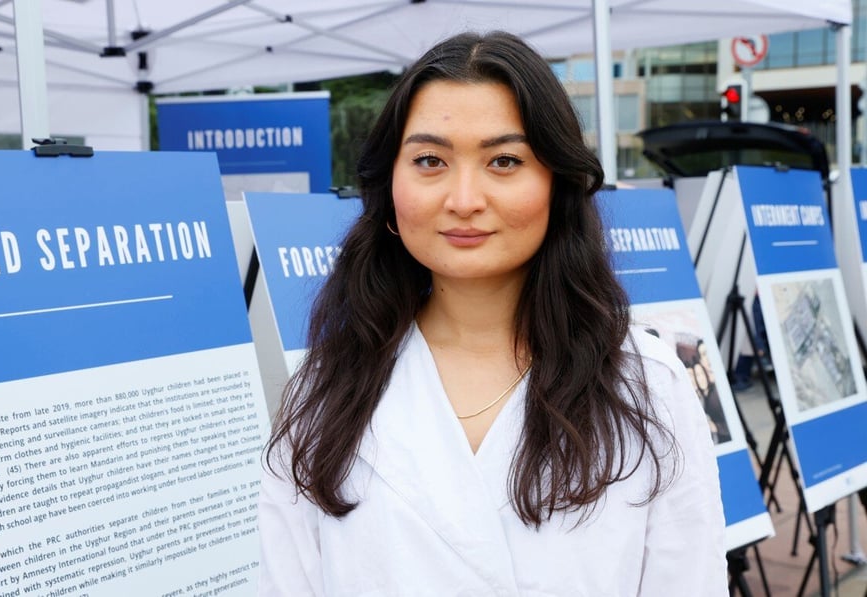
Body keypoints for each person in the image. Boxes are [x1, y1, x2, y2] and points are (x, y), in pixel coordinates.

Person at [259, 31, 726, 596]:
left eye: (504, 161)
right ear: (388, 186)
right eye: (429, 160)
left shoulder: (648, 387)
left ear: (557, 184)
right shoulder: (325, 390)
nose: (464, 200)